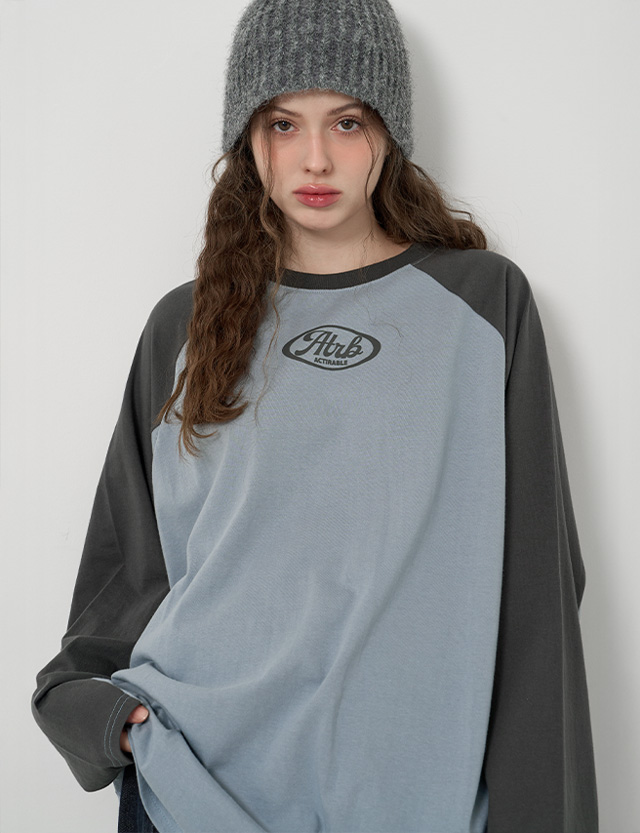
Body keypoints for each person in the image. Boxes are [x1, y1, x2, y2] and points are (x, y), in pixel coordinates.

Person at [31, 0, 599, 831]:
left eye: (347, 121)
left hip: (412, 800)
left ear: (389, 132)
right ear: (246, 138)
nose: (317, 157)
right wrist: (103, 717)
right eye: (282, 124)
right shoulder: (183, 326)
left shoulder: (482, 308)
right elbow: (127, 573)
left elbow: (538, 592)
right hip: (189, 790)